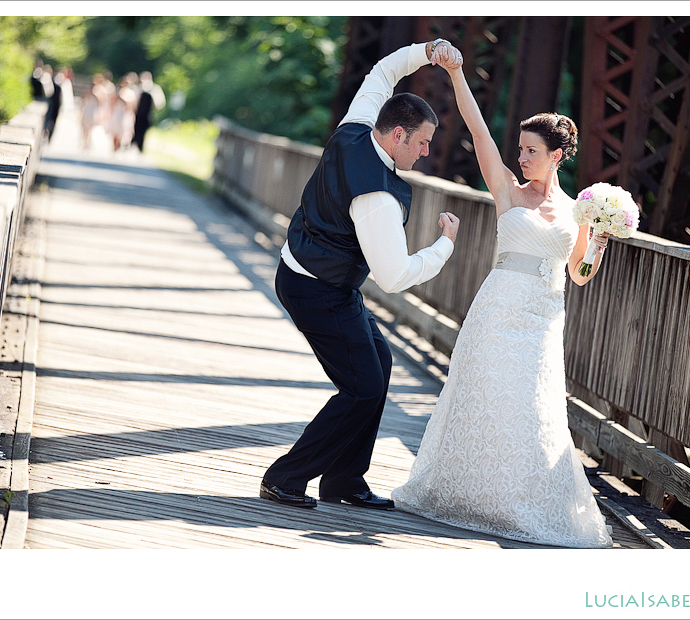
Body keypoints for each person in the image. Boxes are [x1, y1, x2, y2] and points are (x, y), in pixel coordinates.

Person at [390, 50, 614, 547]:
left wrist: (598, 237)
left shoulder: (580, 210)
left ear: (556, 156)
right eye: (521, 149)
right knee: (487, 400)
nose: (522, 157)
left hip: (541, 318)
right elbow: (476, 128)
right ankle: (467, 494)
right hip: (496, 310)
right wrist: (455, 74)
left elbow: (579, 275)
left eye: (532, 151)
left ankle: (520, 502)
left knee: (532, 409)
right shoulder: (508, 191)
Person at [260, 39, 463, 510]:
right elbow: (393, 275)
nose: (427, 152)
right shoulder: (378, 198)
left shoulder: (357, 125)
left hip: (313, 275)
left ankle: (345, 480)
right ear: (396, 136)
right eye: (422, 142)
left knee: (380, 361)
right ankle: (286, 477)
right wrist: (444, 247)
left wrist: (428, 51)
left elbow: (384, 71)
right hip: (317, 289)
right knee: (362, 386)